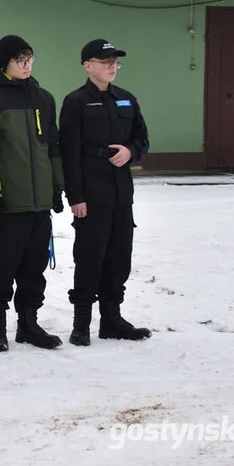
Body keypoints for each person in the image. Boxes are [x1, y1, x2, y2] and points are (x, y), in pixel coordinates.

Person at [0, 35, 64, 353]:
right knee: (0, 267)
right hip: (7, 202)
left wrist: (57, 188)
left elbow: (52, 147)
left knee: (34, 268)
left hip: (39, 204)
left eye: (30, 59)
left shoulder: (44, 98)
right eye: (19, 60)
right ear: (4, 62)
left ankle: (28, 323)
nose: (26, 66)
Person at [60, 39, 151, 346]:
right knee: (90, 257)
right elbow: (68, 153)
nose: (112, 67)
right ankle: (81, 323)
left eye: (115, 62)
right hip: (91, 192)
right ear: (88, 66)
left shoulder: (126, 99)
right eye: (105, 61)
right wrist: (75, 197)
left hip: (121, 193)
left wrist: (131, 151)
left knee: (119, 257)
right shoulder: (76, 102)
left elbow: (142, 138)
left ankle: (112, 319)